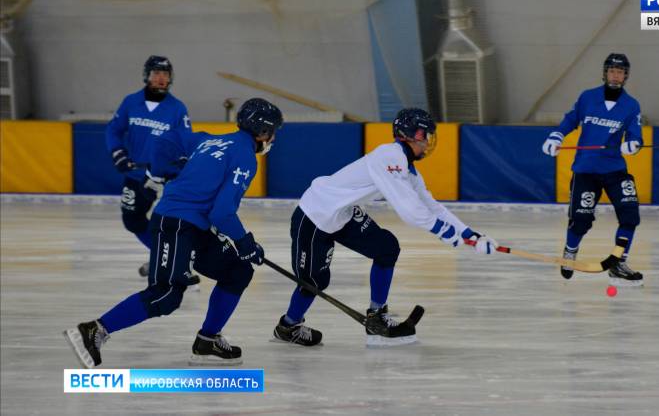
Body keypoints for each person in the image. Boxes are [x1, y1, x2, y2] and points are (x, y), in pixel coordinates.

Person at [64, 98, 283, 368]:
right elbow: (222, 212)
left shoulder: (210, 140)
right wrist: (245, 243)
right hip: (176, 223)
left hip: (194, 226)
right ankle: (95, 329)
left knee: (237, 270)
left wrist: (162, 171)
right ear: (263, 132)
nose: (273, 137)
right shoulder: (245, 158)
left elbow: (165, 140)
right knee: (165, 295)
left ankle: (208, 340)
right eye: (273, 131)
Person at [272, 108, 498, 347]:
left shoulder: (408, 170)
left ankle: (377, 315)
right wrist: (446, 233)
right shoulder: (389, 157)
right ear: (412, 134)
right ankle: (288, 326)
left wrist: (469, 233)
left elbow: (431, 206)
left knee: (386, 248)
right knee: (314, 282)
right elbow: (409, 210)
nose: (429, 142)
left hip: (343, 212)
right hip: (316, 213)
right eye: (426, 135)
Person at [542, 53, 644, 287]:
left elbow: (635, 134)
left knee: (630, 215)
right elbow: (570, 119)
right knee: (580, 220)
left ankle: (618, 262)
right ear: (605, 72)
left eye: (620, 72)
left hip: (615, 169)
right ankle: (570, 252)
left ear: (625, 76)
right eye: (612, 71)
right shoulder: (587, 98)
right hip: (586, 170)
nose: (615, 75)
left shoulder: (631, 105)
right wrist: (556, 135)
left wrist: (633, 144)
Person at [104, 55, 199, 282]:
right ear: (147, 75)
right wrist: (118, 153)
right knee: (133, 220)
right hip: (136, 174)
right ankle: (164, 255)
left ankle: (178, 261)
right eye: (156, 73)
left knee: (172, 221)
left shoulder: (177, 108)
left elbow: (185, 140)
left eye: (165, 74)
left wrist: (179, 165)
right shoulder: (131, 102)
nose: (161, 78)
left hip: (165, 177)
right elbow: (113, 130)